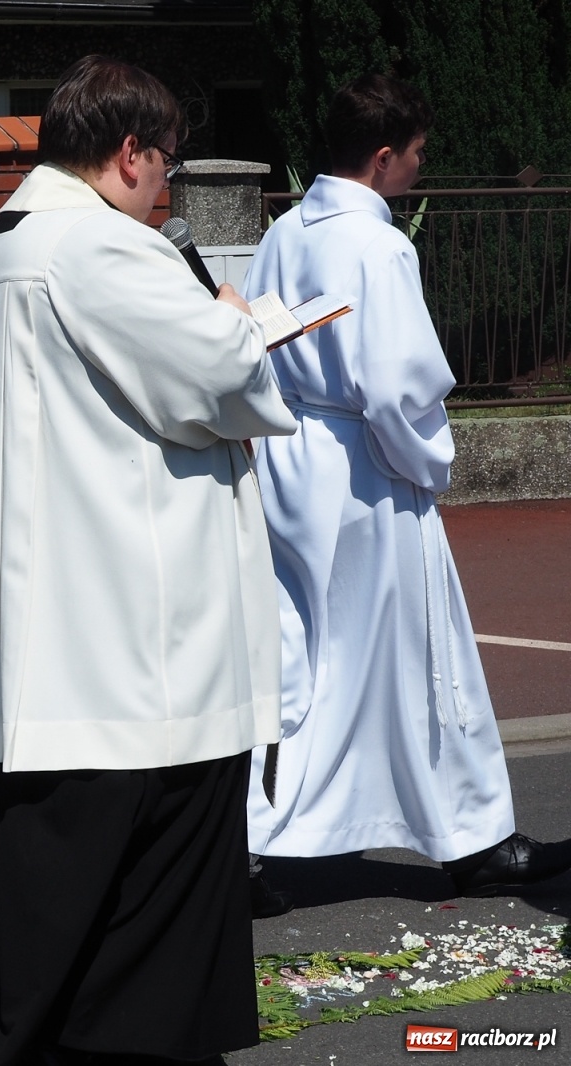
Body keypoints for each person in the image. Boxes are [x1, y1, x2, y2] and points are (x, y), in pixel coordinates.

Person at [0, 56, 298, 1066]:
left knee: (41, 873)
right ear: (129, 153)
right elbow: (214, 372)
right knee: (141, 861)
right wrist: (249, 329)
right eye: (164, 166)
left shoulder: (4, 237)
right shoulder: (100, 250)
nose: (165, 186)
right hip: (130, 612)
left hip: (52, 603)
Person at [242, 74, 571, 899]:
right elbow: (394, 386)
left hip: (292, 458)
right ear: (384, 158)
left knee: (307, 654)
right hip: (364, 469)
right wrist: (428, 463)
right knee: (423, 654)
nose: (422, 169)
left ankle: (263, 833)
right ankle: (469, 835)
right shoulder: (381, 245)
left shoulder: (283, 230)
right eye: (418, 155)